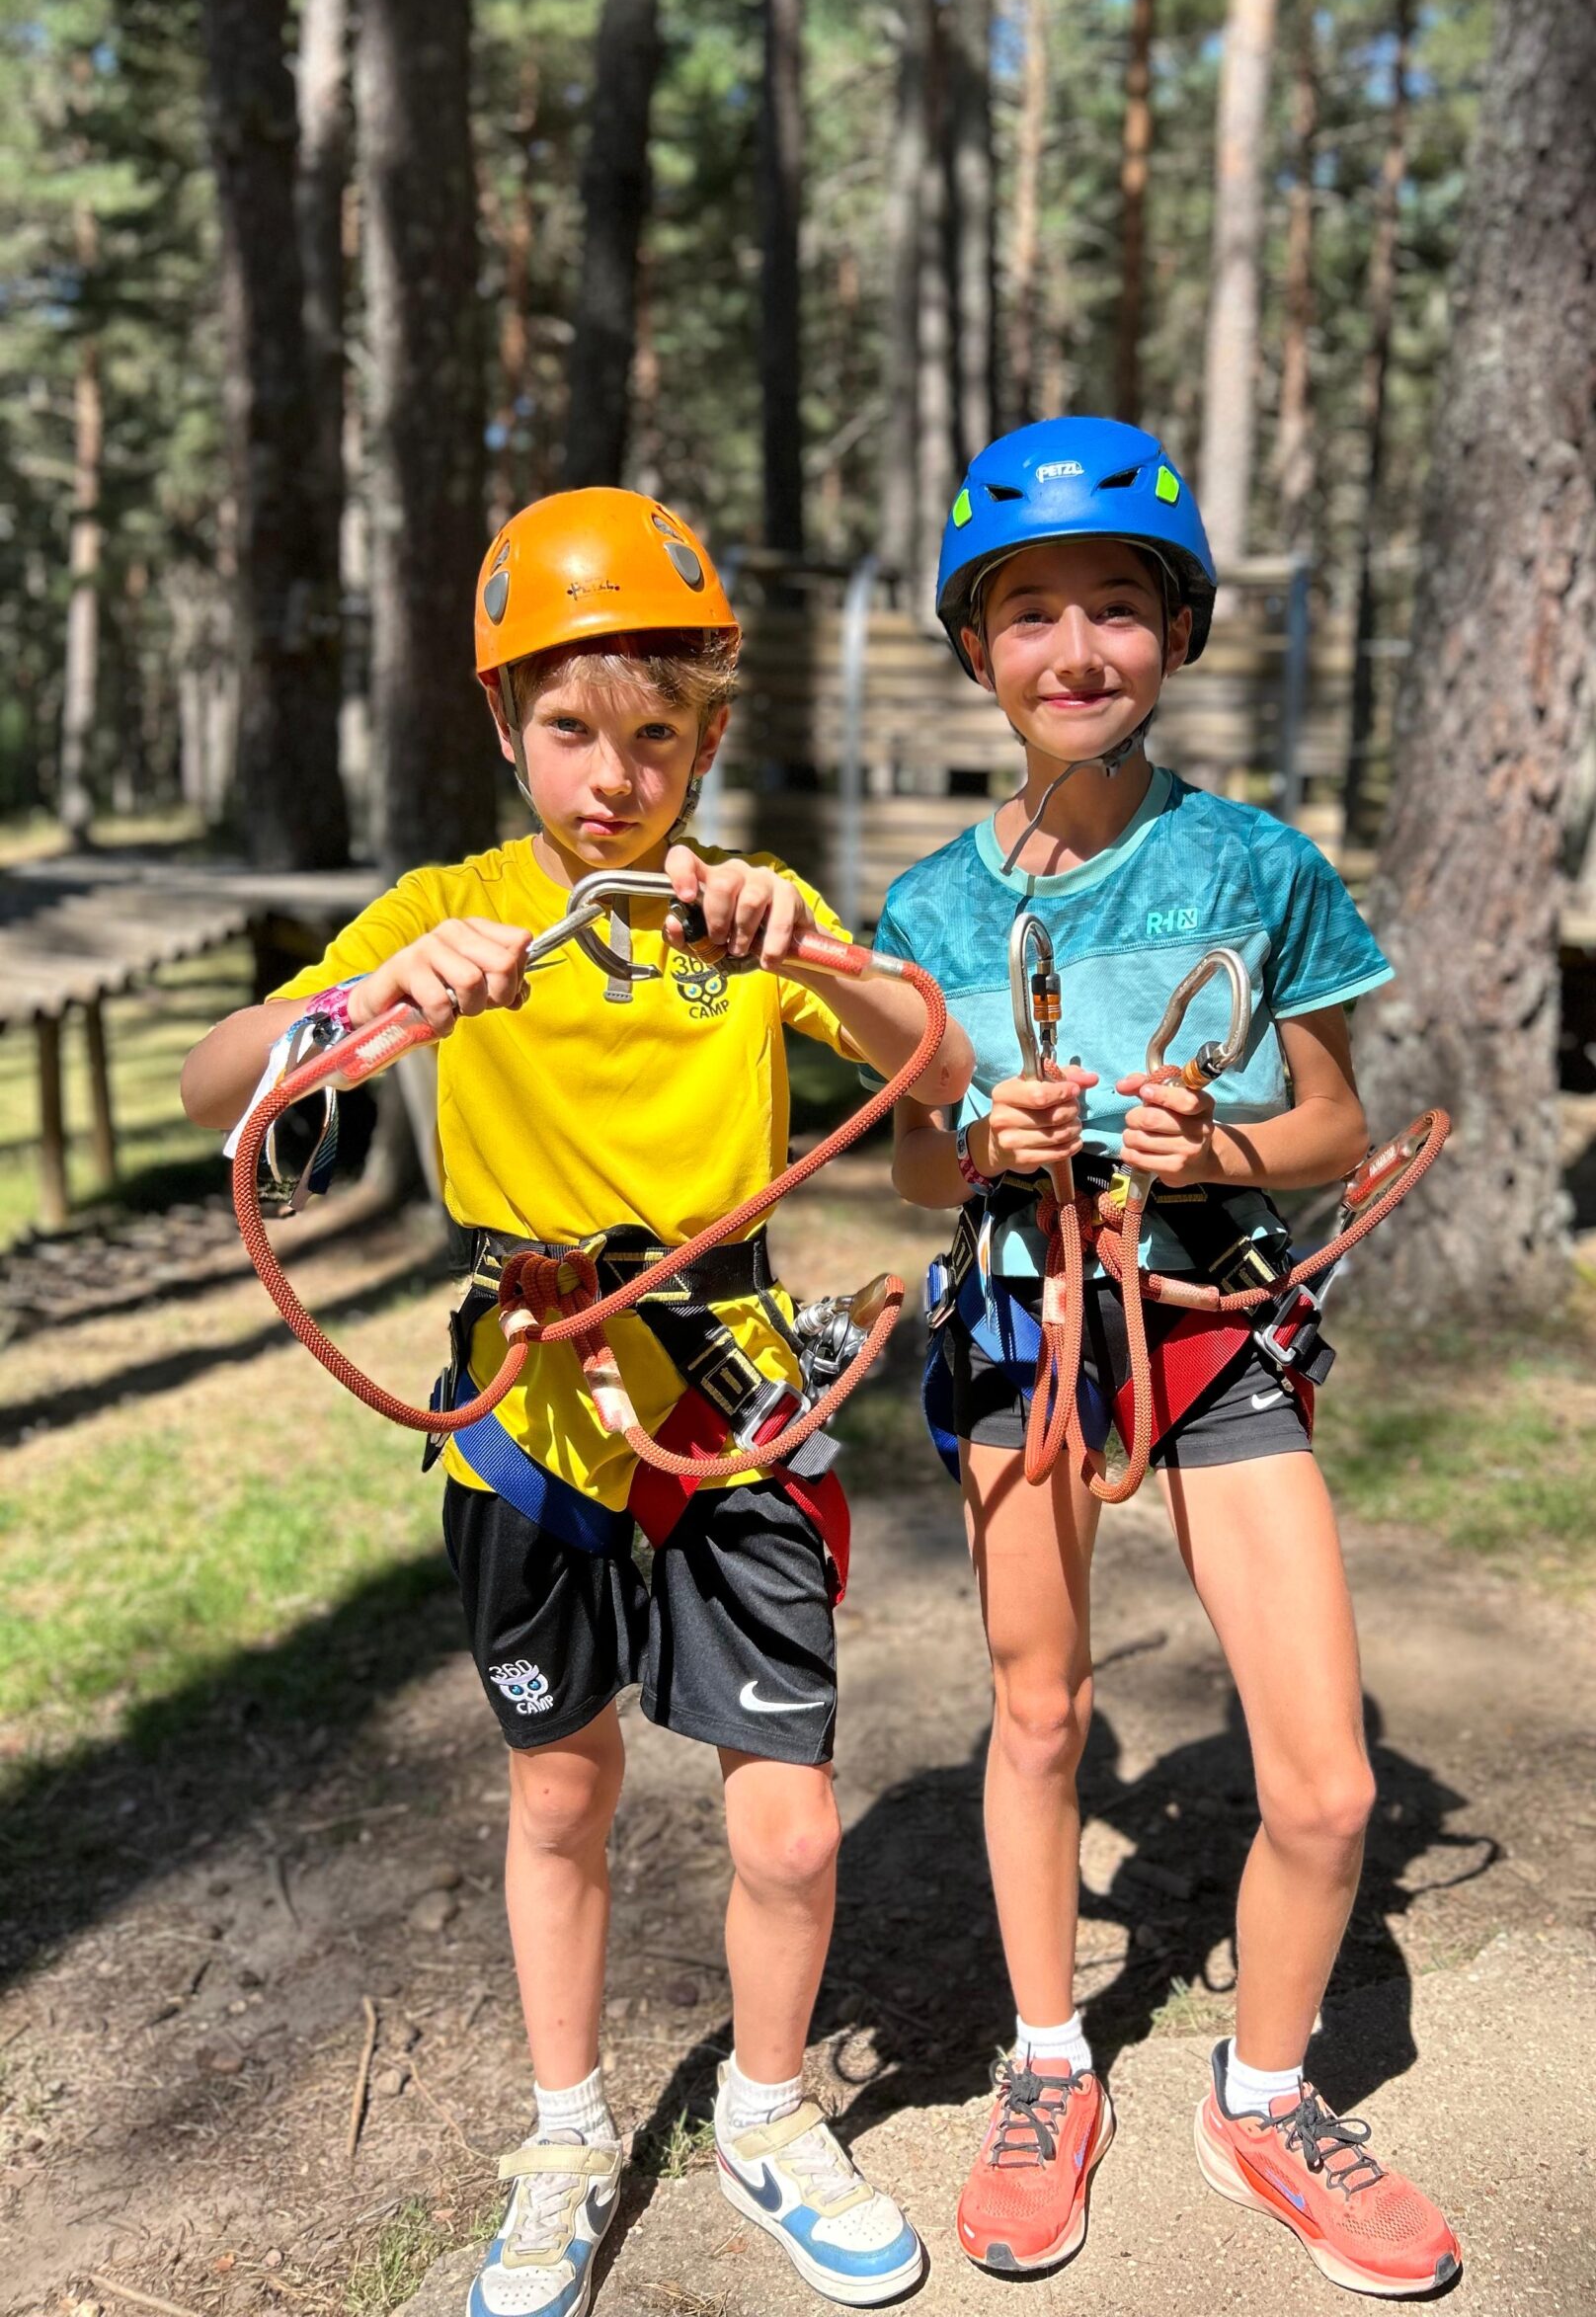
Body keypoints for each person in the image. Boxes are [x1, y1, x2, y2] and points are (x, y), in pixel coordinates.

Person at [181, 489, 974, 2317]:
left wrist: (810, 955)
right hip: (532, 1417)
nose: (613, 780)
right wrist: (375, 997)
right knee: (560, 1792)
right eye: (568, 731)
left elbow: (935, 1069)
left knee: (791, 1819)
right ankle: (563, 2137)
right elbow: (231, 1082)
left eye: (657, 738)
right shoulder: (452, 912)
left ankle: (766, 2117)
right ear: (502, 723)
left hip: (731, 1409)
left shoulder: (745, 913)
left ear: (709, 737)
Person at [870, 419, 1462, 2295]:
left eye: (1116, 607)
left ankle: (1263, 2098)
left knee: (1330, 1786)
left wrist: (1220, 1151)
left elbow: (1336, 1127)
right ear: (977, 648)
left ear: (1179, 633)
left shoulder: (1258, 865)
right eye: (1029, 612)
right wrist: (989, 1142)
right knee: (1041, 1713)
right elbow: (911, 1162)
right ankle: (1050, 2065)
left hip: (1211, 1321)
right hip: (1023, 1324)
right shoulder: (929, 913)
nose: (1076, 649)